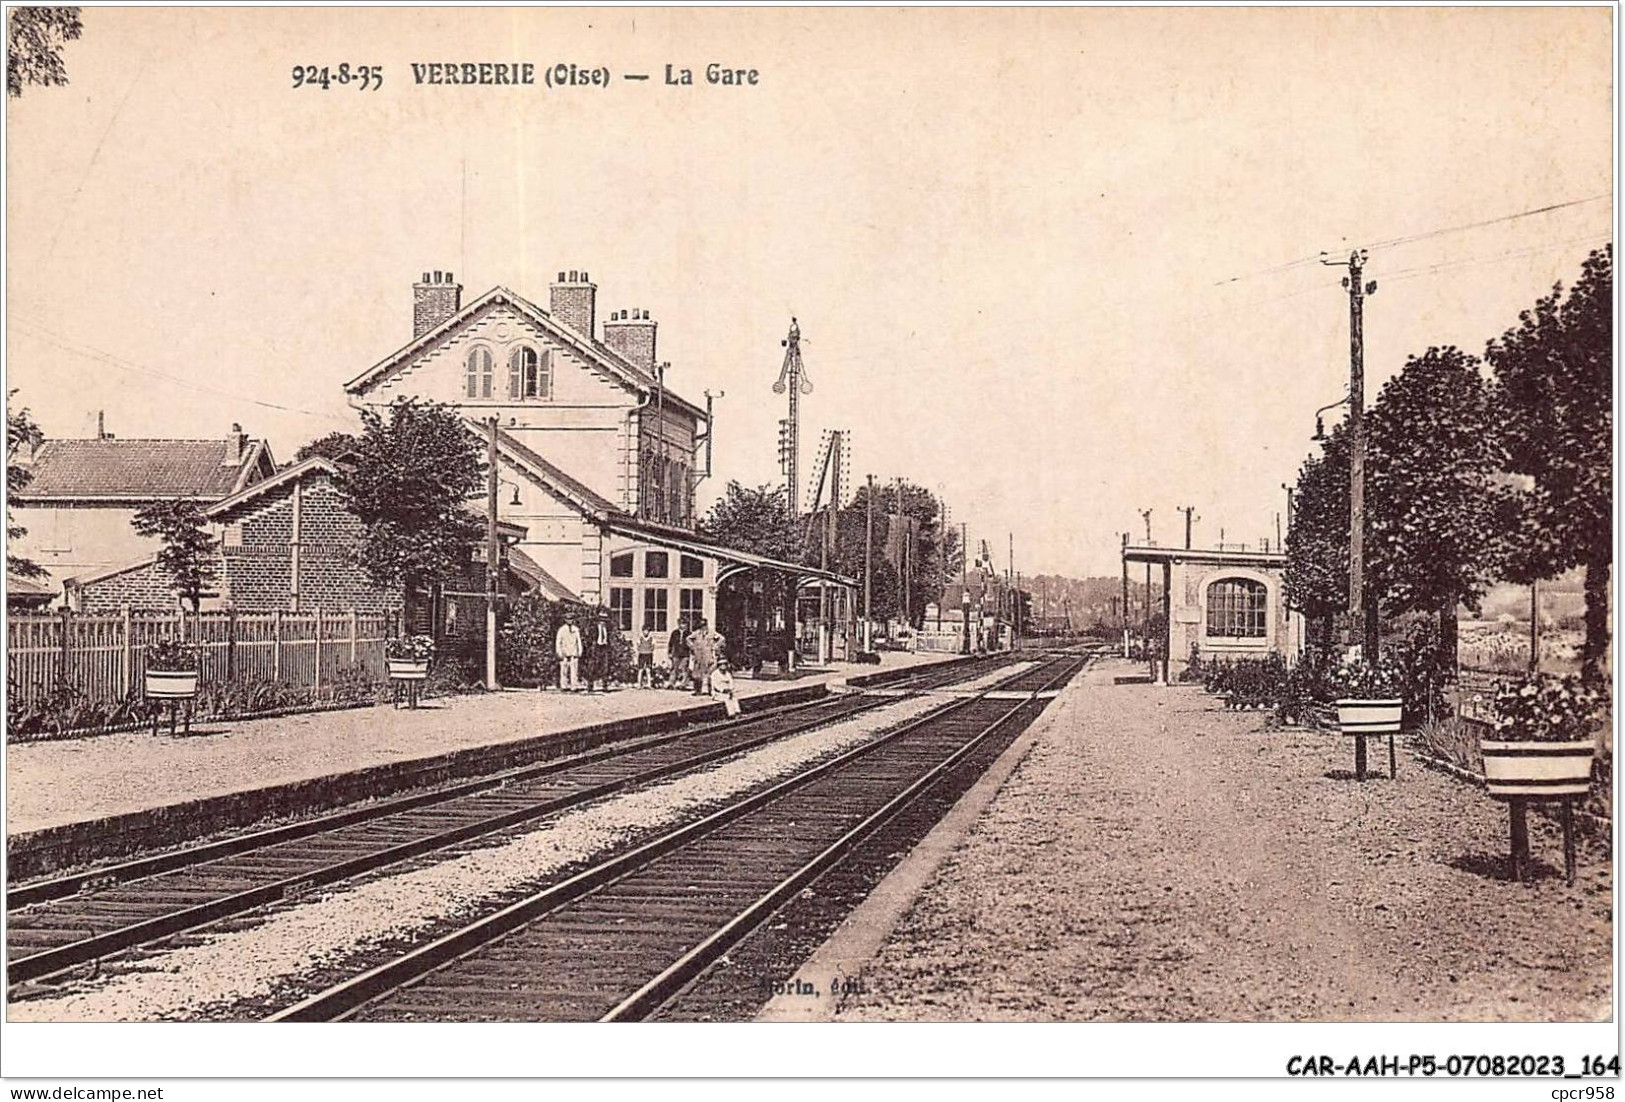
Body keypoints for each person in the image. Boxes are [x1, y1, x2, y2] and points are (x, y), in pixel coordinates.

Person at [582, 610, 612, 692]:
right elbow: (589, 638)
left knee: (605, 667)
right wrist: (591, 646)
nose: (603, 621)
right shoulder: (594, 628)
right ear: (598, 620)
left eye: (604, 620)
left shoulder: (607, 628)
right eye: (601, 620)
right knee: (592, 667)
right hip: (596, 648)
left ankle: (605, 686)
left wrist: (608, 646)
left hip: (604, 647)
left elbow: (608, 638)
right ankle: (590, 686)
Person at [554, 615, 582, 692]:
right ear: (565, 620)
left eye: (571, 619)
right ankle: (564, 686)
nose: (570, 621)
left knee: (574, 670)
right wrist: (559, 652)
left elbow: (578, 641)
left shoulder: (576, 629)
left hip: (573, 651)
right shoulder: (562, 630)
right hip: (564, 652)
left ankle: (574, 686)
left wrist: (580, 650)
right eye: (568, 619)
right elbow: (558, 641)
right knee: (564, 670)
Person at [687, 618, 714, 696]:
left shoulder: (711, 633)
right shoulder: (696, 633)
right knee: (697, 674)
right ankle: (697, 690)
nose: (703, 628)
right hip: (698, 654)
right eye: (701, 626)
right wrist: (692, 646)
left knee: (708, 673)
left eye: (704, 626)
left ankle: (709, 690)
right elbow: (688, 639)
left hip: (707, 654)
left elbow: (721, 639)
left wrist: (714, 646)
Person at [666, 621, 690, 689]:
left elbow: (691, 643)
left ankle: (683, 684)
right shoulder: (675, 633)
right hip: (676, 653)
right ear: (679, 624)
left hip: (685, 653)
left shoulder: (689, 633)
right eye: (681, 624)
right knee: (674, 668)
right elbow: (670, 643)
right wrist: (670, 652)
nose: (683, 625)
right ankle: (671, 683)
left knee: (684, 668)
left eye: (684, 624)